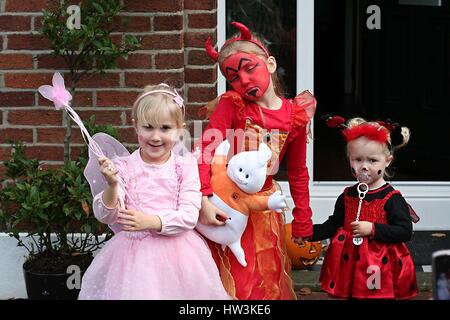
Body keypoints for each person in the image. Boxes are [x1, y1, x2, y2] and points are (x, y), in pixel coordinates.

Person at [195, 21, 316, 300]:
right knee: (230, 280)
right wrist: (203, 198)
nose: (244, 80)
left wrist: (303, 219)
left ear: (270, 64)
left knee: (260, 281)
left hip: (264, 209)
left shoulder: (295, 115)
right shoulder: (232, 105)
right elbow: (205, 149)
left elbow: (298, 171)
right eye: (234, 77)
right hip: (226, 205)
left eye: (250, 68)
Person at [78, 84, 230, 300]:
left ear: (180, 129)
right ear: (136, 127)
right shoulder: (123, 167)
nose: (156, 136)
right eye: (148, 127)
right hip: (133, 258)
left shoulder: (184, 167)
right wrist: (111, 186)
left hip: (180, 255)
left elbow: (188, 215)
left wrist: (151, 222)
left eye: (165, 128)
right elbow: (107, 215)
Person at [310, 116, 418, 299]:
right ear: (349, 159)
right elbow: (335, 223)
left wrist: (373, 229)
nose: (365, 166)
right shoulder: (347, 195)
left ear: (388, 160)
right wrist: (309, 233)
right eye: (358, 160)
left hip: (379, 268)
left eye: (373, 160)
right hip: (349, 265)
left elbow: (404, 231)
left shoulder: (392, 198)